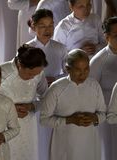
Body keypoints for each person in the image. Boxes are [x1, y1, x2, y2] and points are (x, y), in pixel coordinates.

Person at [40, 49, 106, 160]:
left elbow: (103, 114)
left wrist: (94, 117)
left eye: (86, 69)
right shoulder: (56, 88)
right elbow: (43, 119)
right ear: (67, 69)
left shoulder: (94, 86)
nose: (83, 73)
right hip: (63, 145)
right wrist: (69, 120)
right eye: (78, 69)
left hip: (89, 144)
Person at [0, 45, 48, 160]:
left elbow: (45, 96)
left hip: (28, 125)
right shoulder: (2, 72)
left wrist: (32, 106)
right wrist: (10, 109)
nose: (32, 77)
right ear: (20, 65)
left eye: (36, 74)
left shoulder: (38, 73)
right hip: (4, 124)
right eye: (30, 74)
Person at [89, 16, 117, 160]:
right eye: (116, 36)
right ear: (106, 37)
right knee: (109, 149)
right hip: (106, 112)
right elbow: (89, 91)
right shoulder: (98, 60)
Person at [27, 9, 68, 85]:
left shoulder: (61, 48)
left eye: (50, 25)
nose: (47, 30)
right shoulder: (27, 49)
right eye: (42, 26)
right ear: (34, 27)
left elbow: (69, 73)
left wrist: (55, 79)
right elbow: (20, 75)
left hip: (56, 88)